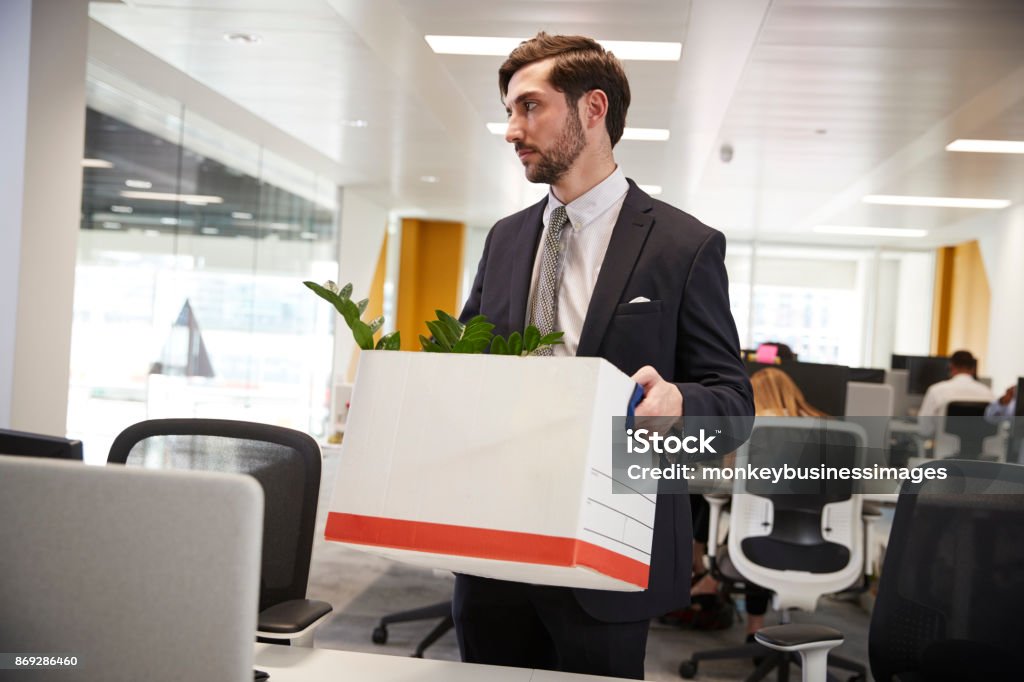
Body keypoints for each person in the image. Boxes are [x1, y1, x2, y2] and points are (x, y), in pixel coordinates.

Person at [456, 32, 754, 679]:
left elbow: (734, 403)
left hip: (609, 540)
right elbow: (468, 362)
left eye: (529, 107)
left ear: (593, 110)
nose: (512, 129)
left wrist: (680, 402)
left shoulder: (684, 245)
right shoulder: (506, 240)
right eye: (510, 110)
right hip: (496, 536)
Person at [689, 367, 825, 643]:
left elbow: (725, 476)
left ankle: (743, 616)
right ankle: (720, 593)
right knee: (765, 523)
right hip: (823, 549)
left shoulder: (752, 430)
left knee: (755, 524)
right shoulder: (829, 428)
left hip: (757, 547)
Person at [917, 350, 994, 439]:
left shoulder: (936, 390)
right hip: (980, 450)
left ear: (951, 366)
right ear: (973, 369)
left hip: (944, 450)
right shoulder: (988, 393)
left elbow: (924, 428)